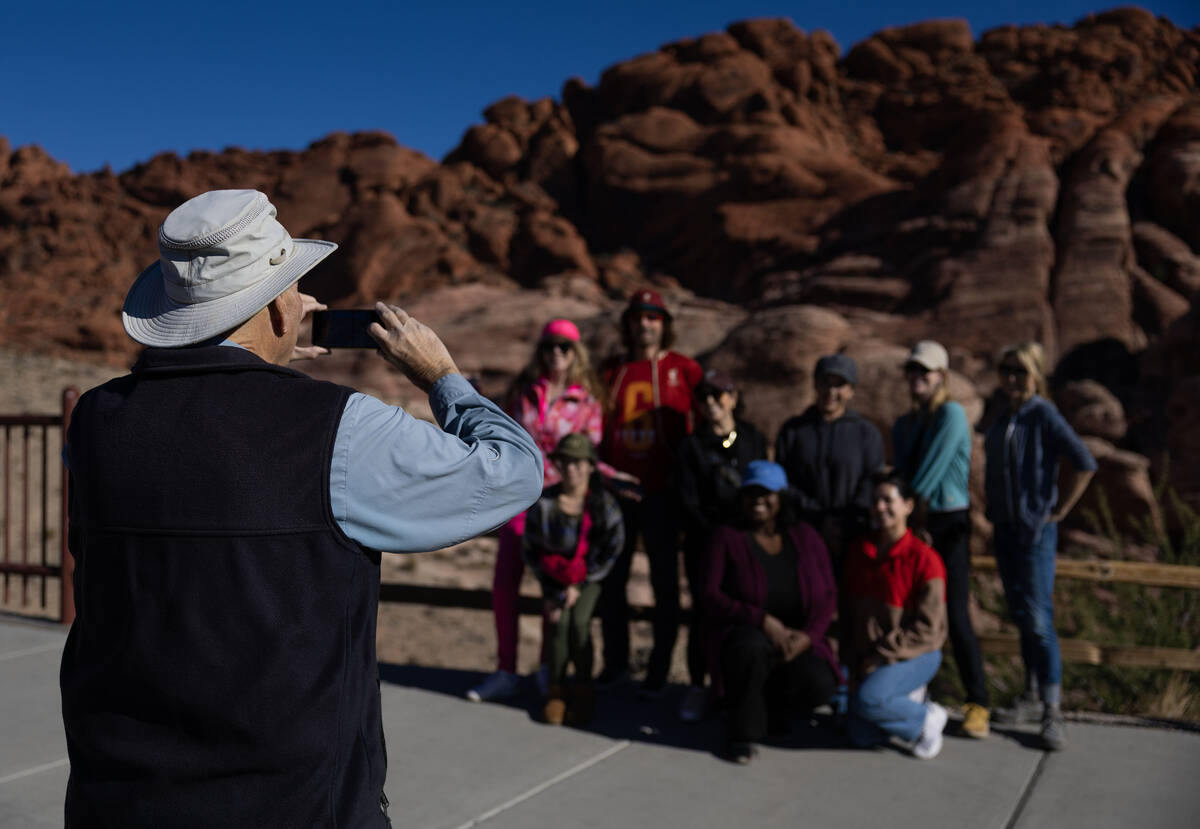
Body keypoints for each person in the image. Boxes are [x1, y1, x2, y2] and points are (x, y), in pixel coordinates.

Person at [59, 189, 543, 828]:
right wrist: (440, 376)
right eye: (292, 286)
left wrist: (263, 357)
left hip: (117, 801)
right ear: (280, 312)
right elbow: (516, 471)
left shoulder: (95, 422)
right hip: (297, 806)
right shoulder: (337, 429)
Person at [467, 318, 628, 703]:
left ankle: (546, 668)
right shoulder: (525, 392)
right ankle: (505, 670)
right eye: (550, 346)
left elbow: (587, 456)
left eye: (565, 347)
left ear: (576, 354)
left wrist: (615, 476)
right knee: (505, 584)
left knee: (551, 587)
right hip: (516, 499)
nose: (557, 353)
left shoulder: (587, 402)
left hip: (559, 504)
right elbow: (500, 431)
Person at [985, 342, 1096, 751]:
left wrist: (1059, 509)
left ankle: (1053, 710)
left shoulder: (1043, 414)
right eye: (1006, 370)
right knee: (1019, 612)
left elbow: (1084, 461)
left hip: (1034, 532)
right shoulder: (1005, 416)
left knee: (1037, 616)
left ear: (1036, 376)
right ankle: (1031, 697)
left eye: (1020, 371)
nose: (1012, 379)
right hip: (1006, 531)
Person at [700, 461, 840, 764]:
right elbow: (710, 595)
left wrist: (809, 636)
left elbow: (829, 594)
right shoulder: (726, 537)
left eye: (766, 493)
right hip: (744, 635)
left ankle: (774, 713)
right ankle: (741, 733)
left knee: (820, 681)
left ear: (782, 496)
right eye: (750, 493)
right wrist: (762, 620)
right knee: (750, 648)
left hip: (796, 639)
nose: (758, 500)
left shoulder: (806, 537)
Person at [598, 289, 702, 695]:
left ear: (664, 323)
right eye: (639, 316)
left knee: (664, 584)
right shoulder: (613, 371)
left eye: (653, 317)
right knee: (612, 582)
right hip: (617, 490)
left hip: (664, 493)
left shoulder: (684, 370)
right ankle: (616, 663)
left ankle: (659, 668)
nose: (645, 324)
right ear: (628, 323)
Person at [892, 341, 991, 739]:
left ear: (941, 376)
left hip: (946, 522)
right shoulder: (905, 423)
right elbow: (902, 471)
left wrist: (906, 508)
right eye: (913, 371)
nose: (918, 378)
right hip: (913, 520)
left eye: (926, 372)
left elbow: (929, 473)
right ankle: (911, 693)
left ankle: (978, 702)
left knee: (955, 612)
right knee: (913, 611)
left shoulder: (951, 414)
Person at [675, 369, 768, 721]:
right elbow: (687, 500)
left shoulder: (752, 439)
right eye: (705, 397)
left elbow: (763, 486)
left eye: (718, 395)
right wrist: (718, 536)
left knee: (747, 611)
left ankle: (739, 688)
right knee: (703, 614)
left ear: (733, 396)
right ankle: (700, 687)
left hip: (749, 543)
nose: (711, 403)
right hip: (706, 546)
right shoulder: (691, 446)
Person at [843, 471, 949, 759]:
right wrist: (854, 663)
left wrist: (881, 658)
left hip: (917, 652)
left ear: (908, 506)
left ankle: (926, 718)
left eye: (888, 500)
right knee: (860, 735)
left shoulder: (925, 560)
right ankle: (900, 700)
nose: (880, 507)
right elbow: (852, 617)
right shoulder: (859, 552)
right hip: (871, 656)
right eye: (875, 500)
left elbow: (928, 629)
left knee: (869, 701)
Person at [523, 434, 625, 725]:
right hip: (553, 578)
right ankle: (556, 690)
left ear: (591, 466)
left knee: (579, 623)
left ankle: (583, 688)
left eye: (578, 462)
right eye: (565, 462)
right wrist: (551, 587)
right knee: (558, 622)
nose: (571, 469)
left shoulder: (603, 505)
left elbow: (612, 548)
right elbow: (531, 548)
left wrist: (580, 583)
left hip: (590, 578)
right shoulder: (545, 504)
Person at [775, 353, 885, 569]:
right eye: (825, 382)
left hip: (853, 537)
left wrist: (845, 522)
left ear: (851, 390)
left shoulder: (866, 433)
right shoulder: (793, 431)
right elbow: (783, 481)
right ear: (815, 385)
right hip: (804, 534)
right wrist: (818, 518)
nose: (831, 392)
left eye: (839, 385)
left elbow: (872, 480)